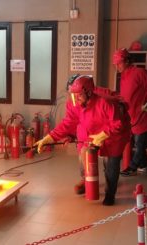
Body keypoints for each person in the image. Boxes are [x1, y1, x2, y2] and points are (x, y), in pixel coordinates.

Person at [35, 75, 131, 205]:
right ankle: (86, 182)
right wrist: (48, 138)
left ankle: (110, 194)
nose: (75, 99)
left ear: (89, 92)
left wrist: (103, 135)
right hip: (91, 132)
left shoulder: (105, 102)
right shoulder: (74, 103)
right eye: (72, 95)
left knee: (111, 165)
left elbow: (118, 124)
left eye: (78, 95)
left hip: (114, 135)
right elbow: (68, 123)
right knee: (85, 155)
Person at [113, 48, 147, 177]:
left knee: (139, 142)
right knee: (140, 142)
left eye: (119, 63)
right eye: (115, 64)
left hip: (143, 113)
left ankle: (132, 167)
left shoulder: (139, 72)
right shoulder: (123, 76)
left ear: (127, 61)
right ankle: (143, 165)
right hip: (132, 114)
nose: (117, 66)